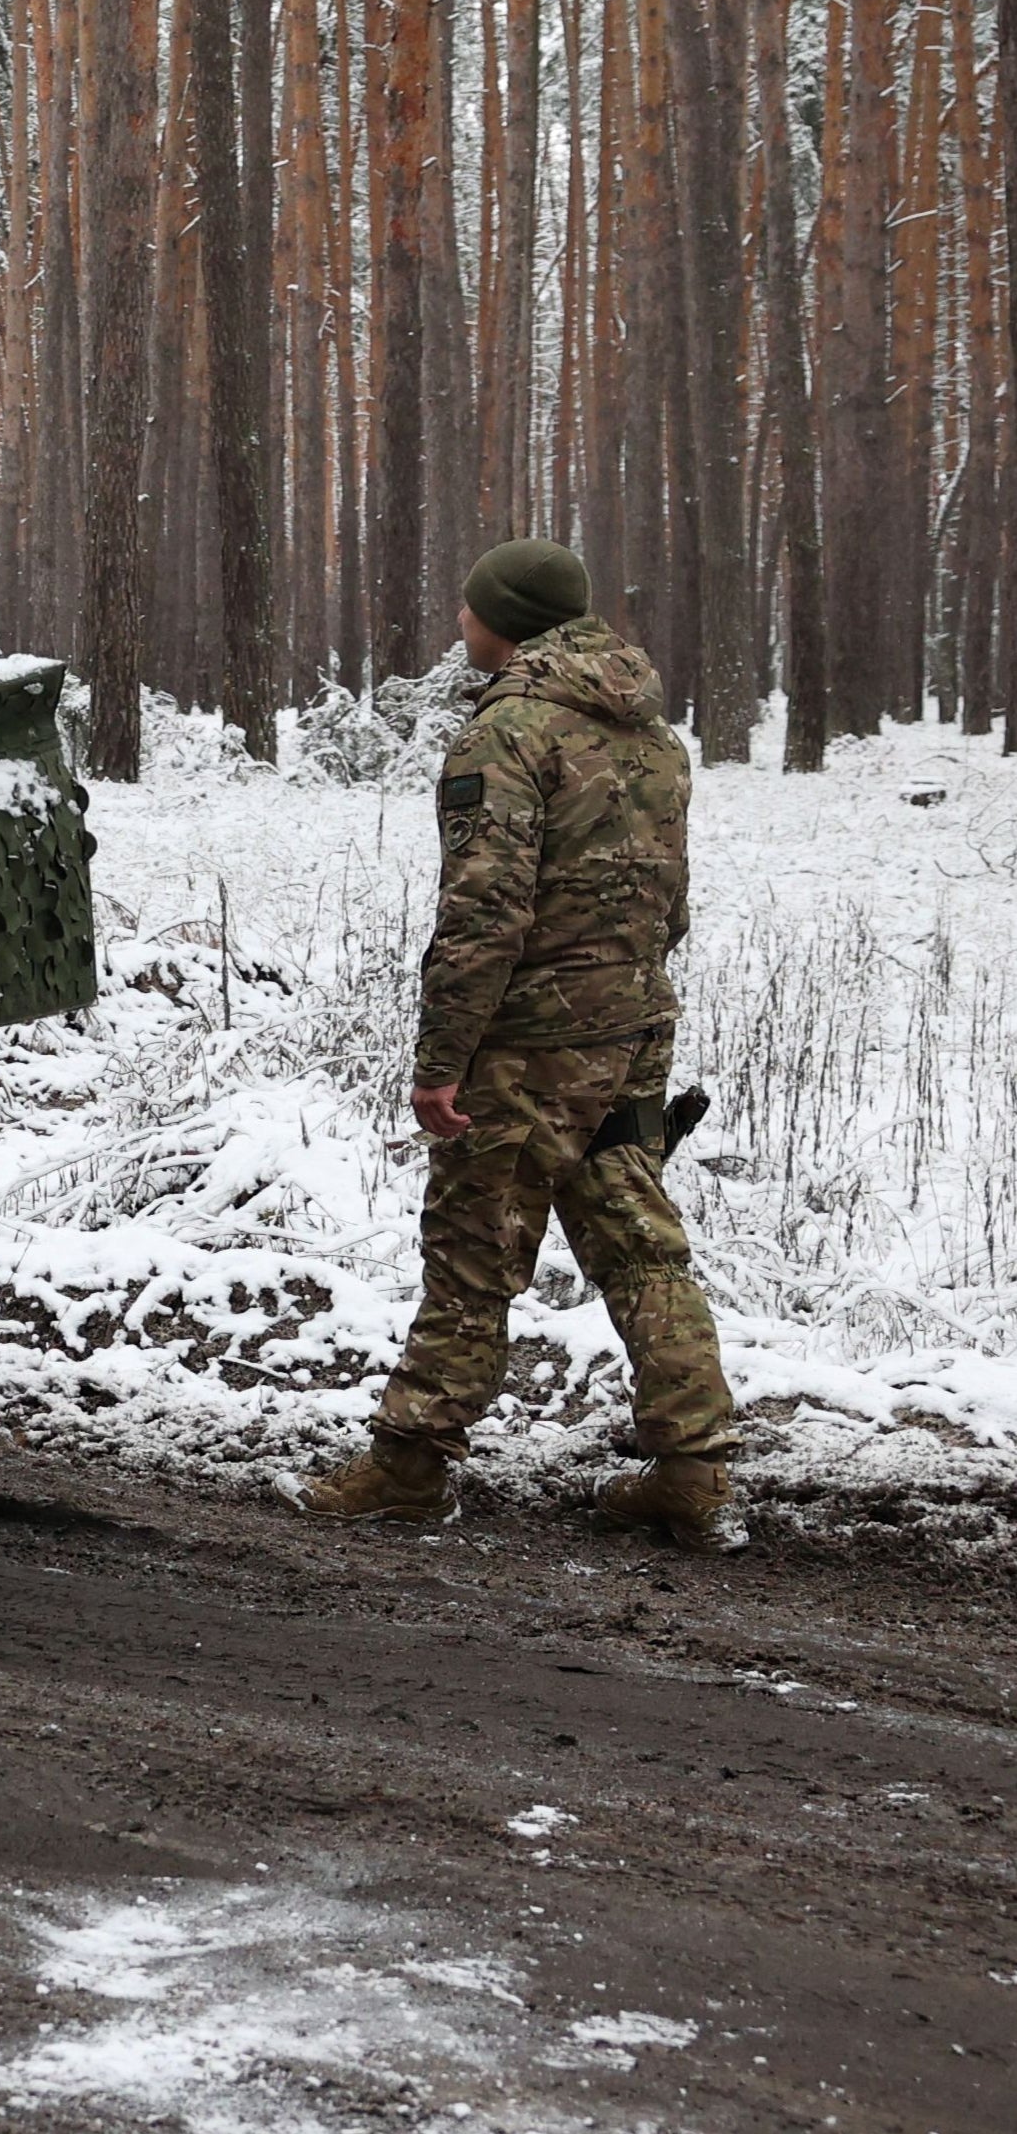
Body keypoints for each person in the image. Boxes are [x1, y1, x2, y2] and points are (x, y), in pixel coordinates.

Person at [298, 539, 740, 1545]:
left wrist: (441, 1059)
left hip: (531, 1041)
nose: (461, 622)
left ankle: (409, 1466)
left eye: (471, 608)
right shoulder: (653, 735)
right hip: (631, 1023)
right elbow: (669, 905)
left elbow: (484, 912)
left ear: (511, 621)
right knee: (639, 1246)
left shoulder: (508, 734)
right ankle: (697, 1472)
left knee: (474, 1247)